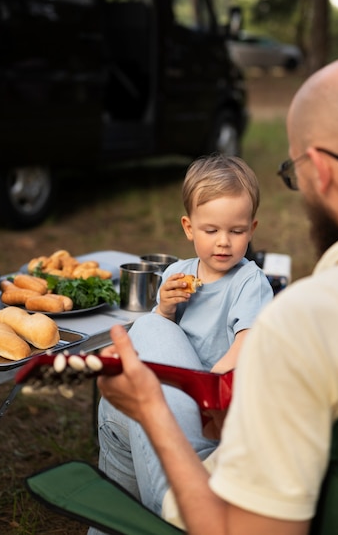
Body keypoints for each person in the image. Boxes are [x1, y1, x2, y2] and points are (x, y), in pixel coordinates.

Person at [95, 56, 338, 535]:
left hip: (207, 502)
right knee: (150, 337)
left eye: (293, 172)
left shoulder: (310, 320)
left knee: (129, 376)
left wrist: (152, 409)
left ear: (319, 169)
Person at [89, 154, 274, 532]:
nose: (223, 242)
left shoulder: (249, 283)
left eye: (236, 231)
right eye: (211, 230)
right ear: (189, 228)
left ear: (252, 228)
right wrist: (165, 307)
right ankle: (111, 517)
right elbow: (160, 330)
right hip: (172, 390)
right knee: (143, 335)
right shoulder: (177, 273)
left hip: (211, 405)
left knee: (119, 402)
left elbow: (248, 341)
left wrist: (215, 382)